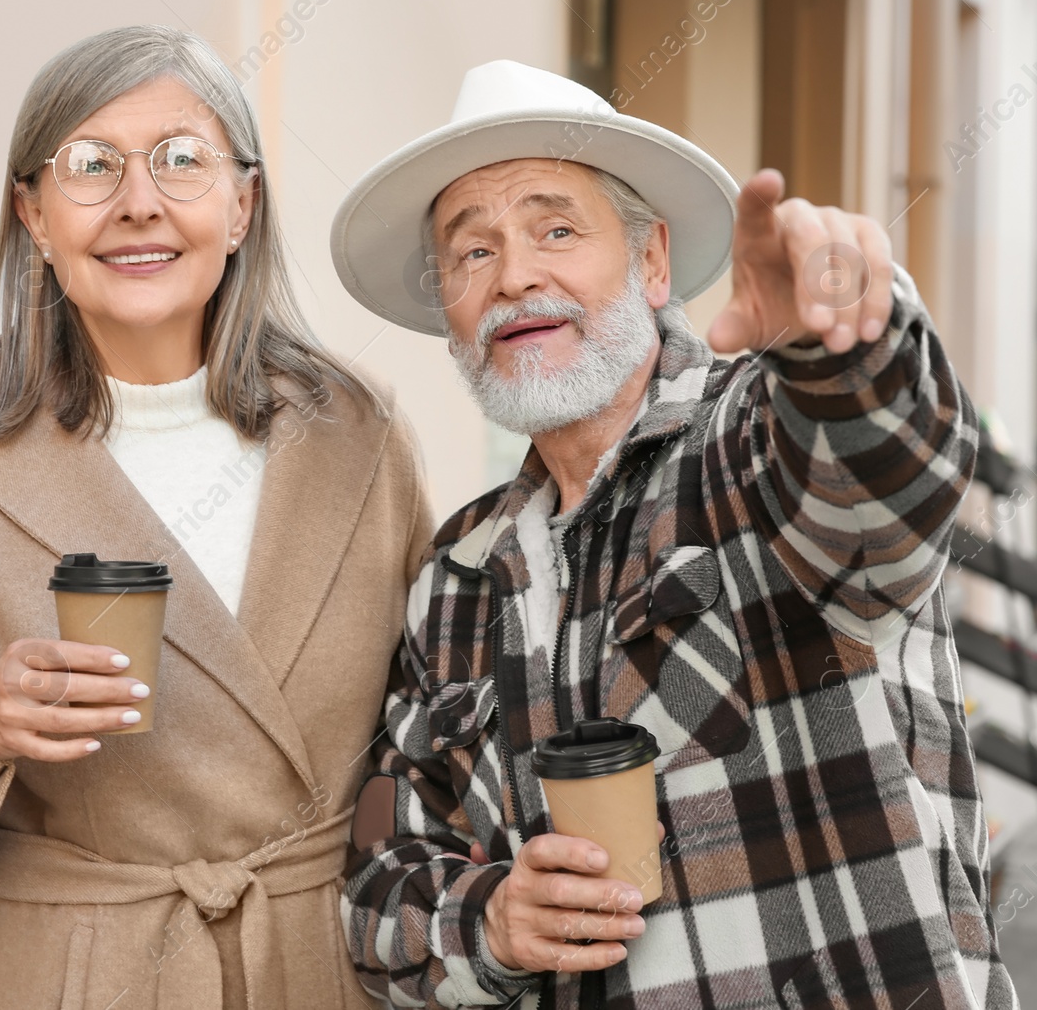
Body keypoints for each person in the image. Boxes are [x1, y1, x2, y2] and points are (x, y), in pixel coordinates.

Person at [334, 60, 1014, 1007]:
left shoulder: (754, 445)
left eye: (556, 229)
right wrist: (487, 919)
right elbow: (377, 876)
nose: (516, 276)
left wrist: (841, 352)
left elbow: (886, 487)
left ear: (652, 261)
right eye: (471, 252)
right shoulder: (455, 575)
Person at [0, 26, 432, 1010]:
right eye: (90, 166)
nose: (140, 201)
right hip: (67, 976)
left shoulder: (360, 432)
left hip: (321, 964)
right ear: (34, 214)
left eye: (182, 159)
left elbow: (441, 726)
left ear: (242, 204)